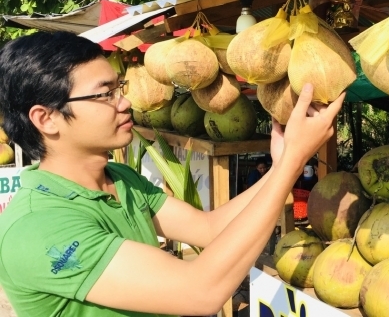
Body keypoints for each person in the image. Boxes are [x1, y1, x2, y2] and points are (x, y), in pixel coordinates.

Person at [0, 31, 345, 317]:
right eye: (105, 94)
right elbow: (200, 290)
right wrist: (292, 161)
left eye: (119, 89)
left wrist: (285, 163)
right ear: (46, 118)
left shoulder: (119, 178)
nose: (124, 103)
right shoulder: (37, 228)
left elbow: (208, 229)